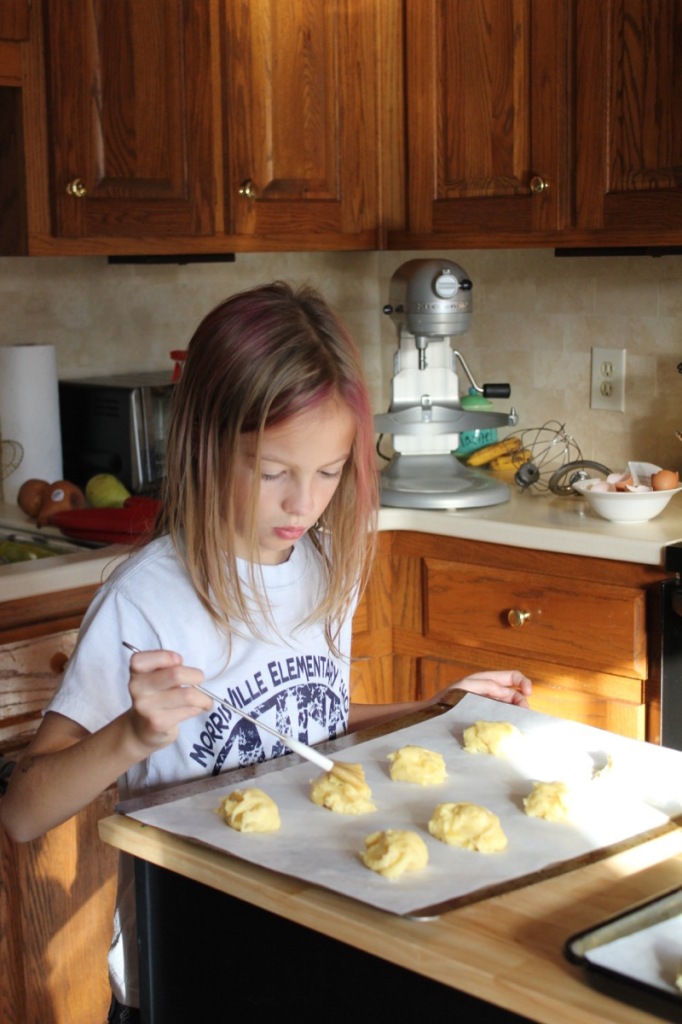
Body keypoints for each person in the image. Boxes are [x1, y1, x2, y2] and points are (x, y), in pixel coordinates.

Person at [0, 282, 531, 1021]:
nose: (303, 504)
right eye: (274, 471)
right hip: (194, 957)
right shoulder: (148, 599)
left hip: (311, 932)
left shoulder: (320, 567)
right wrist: (133, 734)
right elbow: (24, 811)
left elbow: (311, 729)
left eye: (329, 471)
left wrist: (430, 710)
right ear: (207, 443)